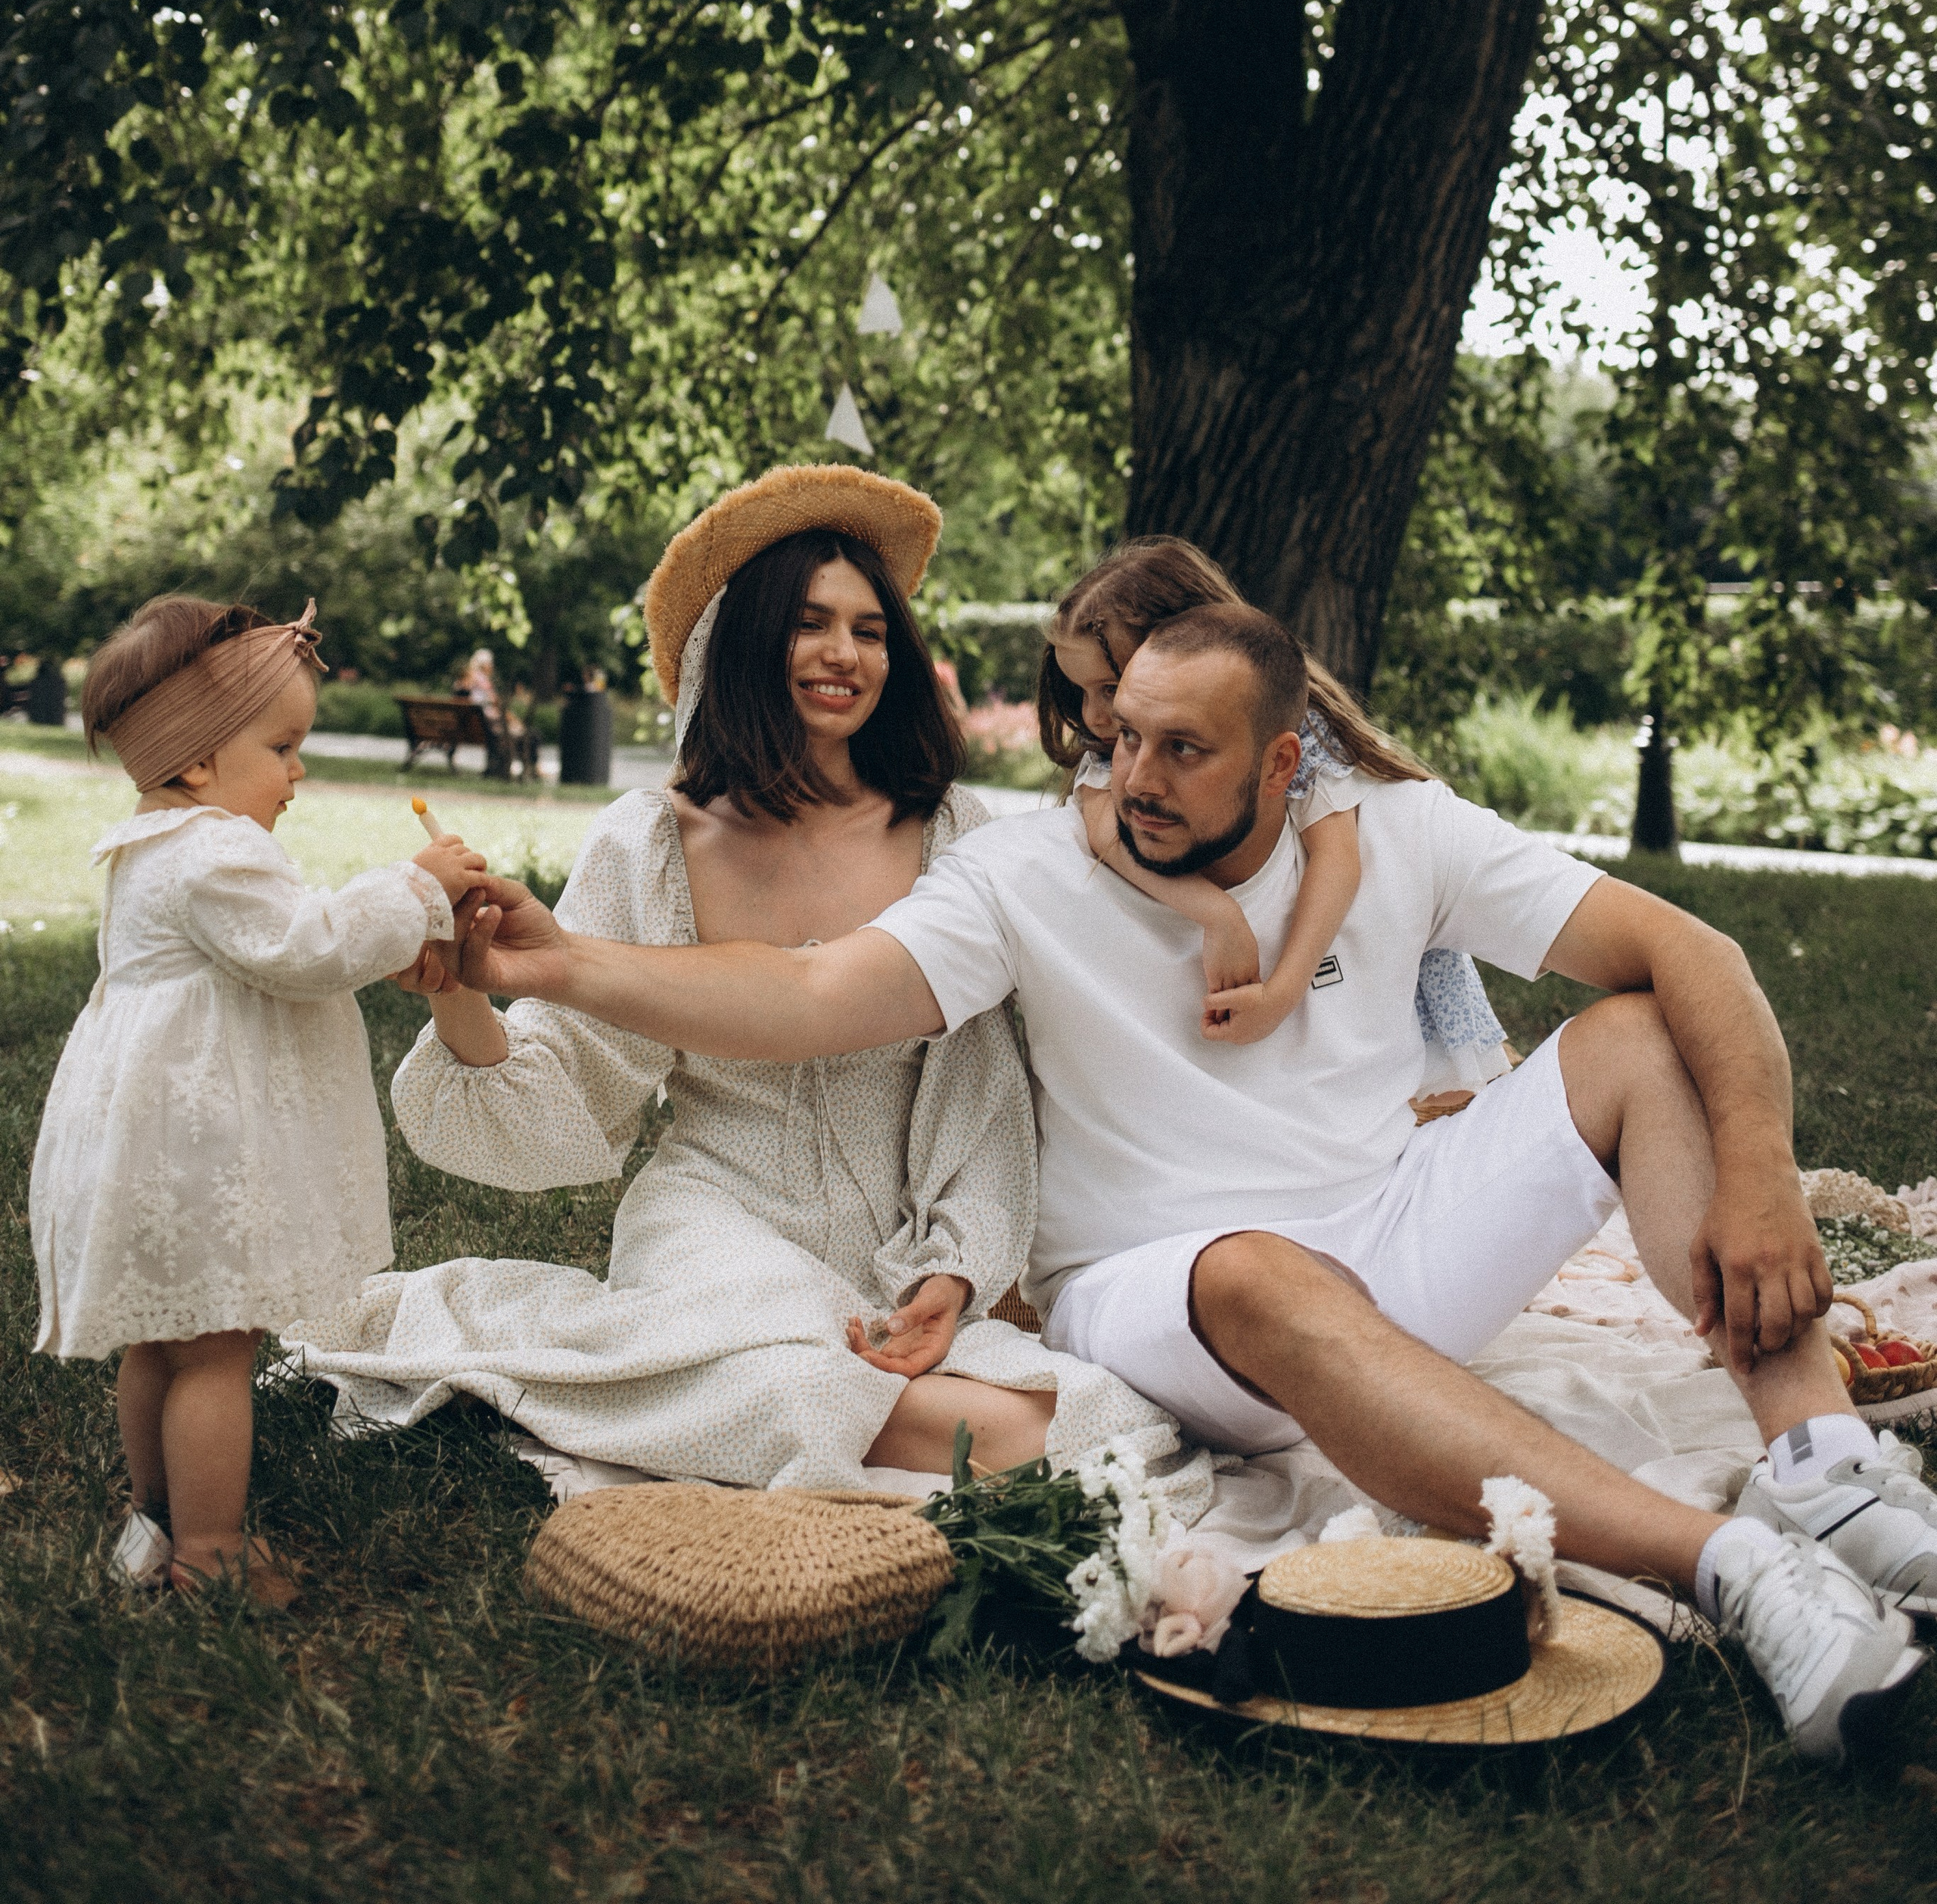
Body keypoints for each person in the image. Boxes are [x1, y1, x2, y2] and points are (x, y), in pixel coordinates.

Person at [440, 593, 1936, 1769]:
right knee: (1254, 1269)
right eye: (1117, 738)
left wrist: (1752, 1177)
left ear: (1283, 763)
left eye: (1181, 749)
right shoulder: (1024, 874)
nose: (1128, 777)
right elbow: (813, 992)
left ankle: (1819, 1470)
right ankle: (1739, 1572)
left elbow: (1694, 953)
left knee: (1630, 1033)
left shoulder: (1402, 832)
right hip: (1162, 1291)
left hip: (1391, 1241)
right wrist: (563, 962)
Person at [291, 468, 1172, 1491]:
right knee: (799, 1390)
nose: (846, 653)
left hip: (900, 1244)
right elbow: (566, 1081)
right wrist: (456, 983)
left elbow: (982, 1087)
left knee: (1105, 1413)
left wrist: (954, 1267)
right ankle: (821, 1407)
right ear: (747, 641)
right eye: (810, 624)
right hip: (715, 1224)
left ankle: (821, 1412)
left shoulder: (955, 834)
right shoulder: (654, 841)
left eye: (871, 630)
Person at [30, 594, 477, 1602]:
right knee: (218, 1352)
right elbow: (309, 948)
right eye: (282, 747)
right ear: (195, 762)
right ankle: (213, 1552)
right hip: (196, 1147)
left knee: (164, 1335)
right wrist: (417, 889)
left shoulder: (152, 844)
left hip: (146, 1142)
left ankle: (154, 1515)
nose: (298, 772)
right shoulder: (216, 852)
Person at [1042, 539, 1506, 1086]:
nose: (1095, 715)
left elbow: (1337, 858)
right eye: (1082, 692)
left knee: (1428, 1089)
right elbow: (1105, 834)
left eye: (1110, 687)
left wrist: (1283, 991)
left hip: (1345, 978)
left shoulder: (1293, 739)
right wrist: (1216, 912)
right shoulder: (1112, 761)